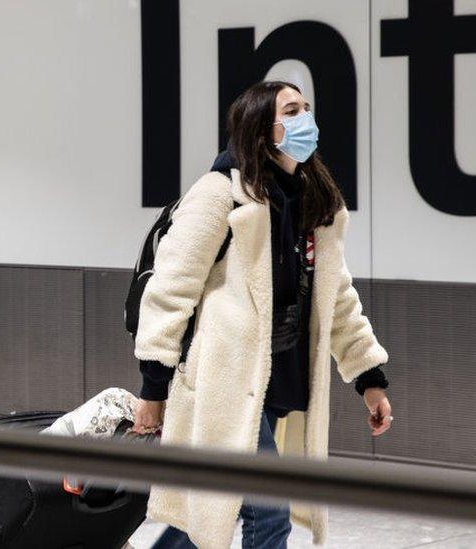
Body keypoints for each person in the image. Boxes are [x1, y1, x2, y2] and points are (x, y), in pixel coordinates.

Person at [131, 80, 394, 548]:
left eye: (306, 108)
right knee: (268, 511)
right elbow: (170, 290)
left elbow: (337, 297)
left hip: (277, 381)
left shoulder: (315, 202)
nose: (305, 120)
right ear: (260, 130)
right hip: (225, 384)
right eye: (291, 111)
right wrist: (154, 388)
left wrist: (369, 377)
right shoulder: (220, 194)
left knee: (211, 511)